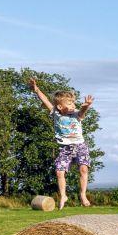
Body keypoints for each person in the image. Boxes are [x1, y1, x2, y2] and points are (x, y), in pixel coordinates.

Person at [28, 78, 94, 209]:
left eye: (73, 103)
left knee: (84, 168)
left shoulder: (77, 114)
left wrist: (86, 105)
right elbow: (45, 100)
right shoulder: (55, 114)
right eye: (69, 104)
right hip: (65, 148)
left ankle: (82, 194)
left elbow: (82, 111)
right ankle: (63, 195)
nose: (73, 106)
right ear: (60, 107)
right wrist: (36, 89)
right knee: (59, 172)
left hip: (80, 145)